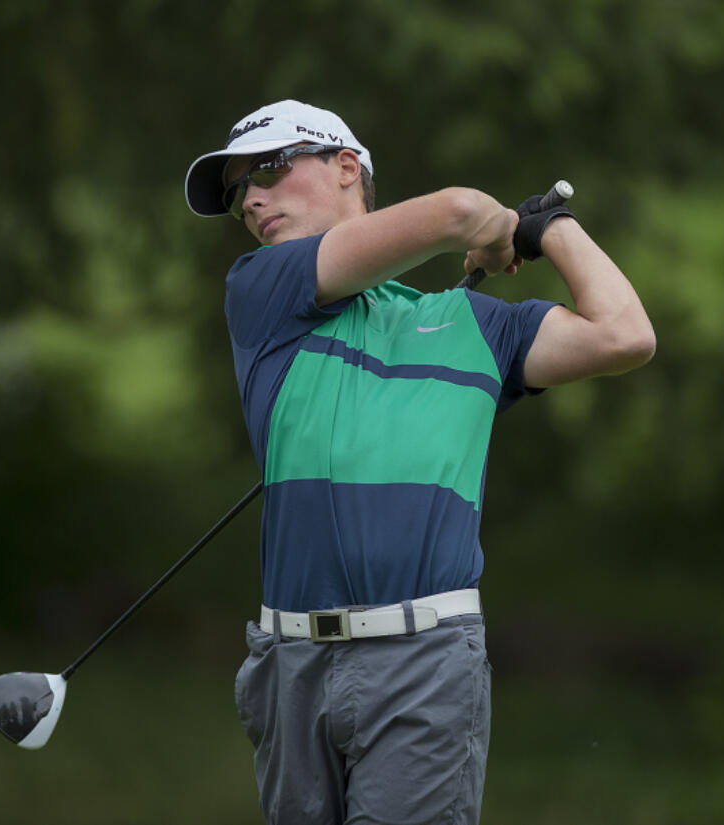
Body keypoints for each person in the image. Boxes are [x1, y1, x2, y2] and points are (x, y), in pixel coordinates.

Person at [183, 99, 655, 825]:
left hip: (424, 661)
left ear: (347, 168)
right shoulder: (261, 289)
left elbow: (626, 334)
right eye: (237, 189)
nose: (250, 199)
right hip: (291, 668)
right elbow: (460, 212)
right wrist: (503, 230)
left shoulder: (477, 326)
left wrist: (550, 228)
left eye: (270, 169)